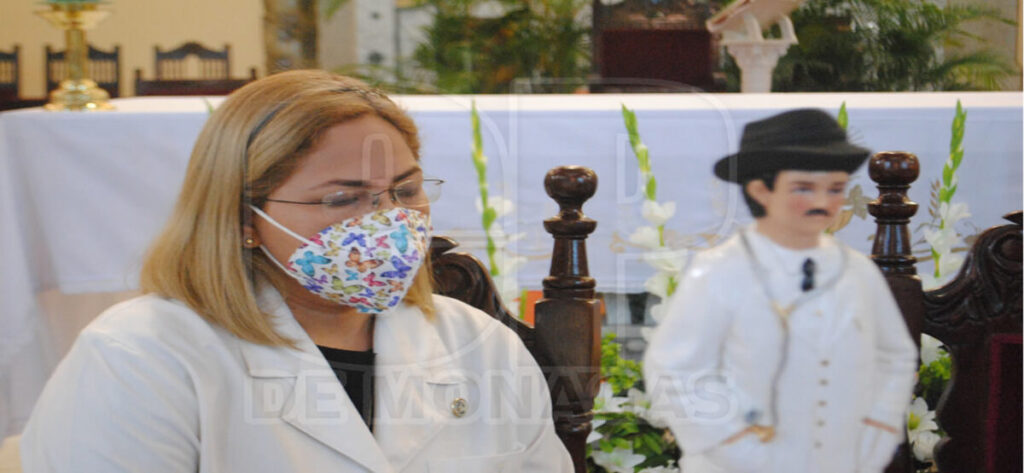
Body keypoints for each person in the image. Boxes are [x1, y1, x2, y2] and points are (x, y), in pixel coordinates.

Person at [20, 70, 572, 472]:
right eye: (342, 199)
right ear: (243, 218)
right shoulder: (141, 356)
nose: (389, 222)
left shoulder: (478, 343)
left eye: (405, 191)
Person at [643, 109, 918, 473]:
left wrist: (878, 432)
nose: (822, 202)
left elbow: (895, 356)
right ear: (760, 190)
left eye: (835, 189)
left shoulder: (857, 272)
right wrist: (734, 445)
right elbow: (674, 369)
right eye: (803, 188)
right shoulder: (720, 272)